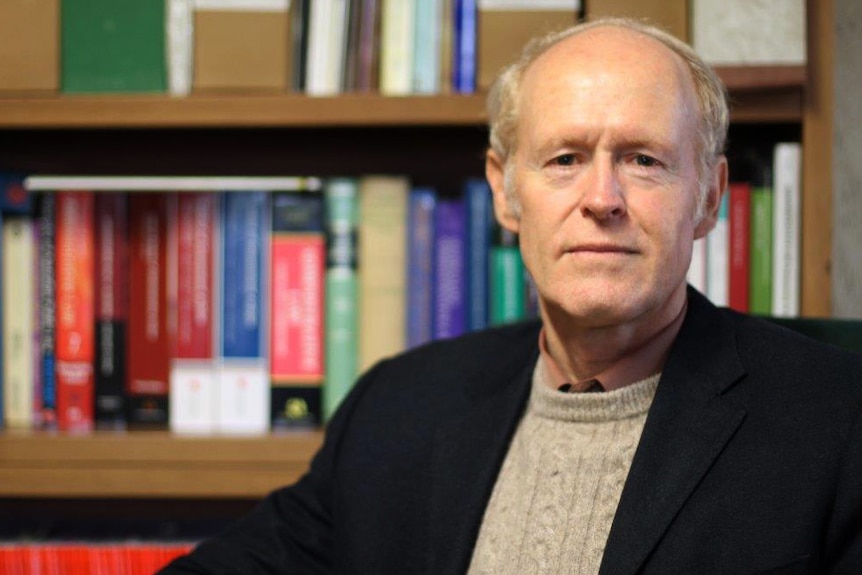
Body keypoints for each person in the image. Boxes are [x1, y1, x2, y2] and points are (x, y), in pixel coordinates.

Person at [161, 17, 862, 574]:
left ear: (708, 197)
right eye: (564, 159)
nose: (602, 199)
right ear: (504, 190)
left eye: (643, 160)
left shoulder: (840, 423)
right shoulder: (397, 408)